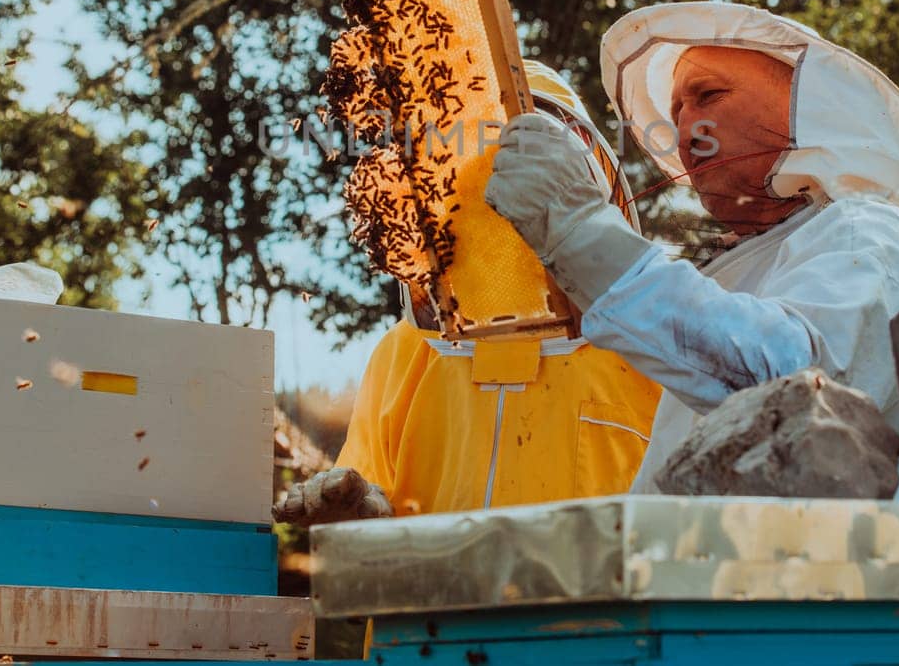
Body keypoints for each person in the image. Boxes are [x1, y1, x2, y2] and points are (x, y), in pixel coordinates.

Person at [484, 2, 899, 496]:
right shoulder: (740, 272)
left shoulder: (869, 233)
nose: (684, 133)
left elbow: (792, 395)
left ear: (807, 106)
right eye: (677, 112)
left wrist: (583, 234)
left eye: (708, 95)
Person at [274, 61, 661, 525]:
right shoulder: (405, 354)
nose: (495, 198)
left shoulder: (652, 347)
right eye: (475, 174)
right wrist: (359, 510)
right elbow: (368, 499)